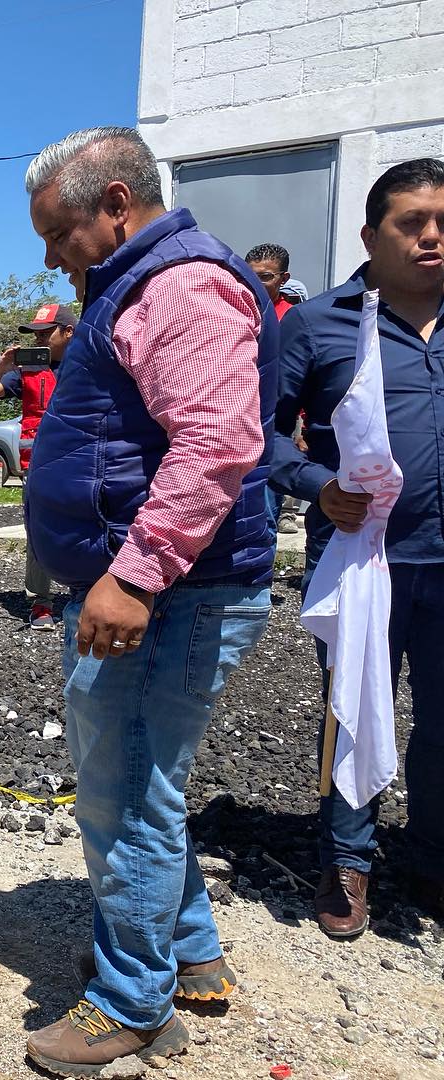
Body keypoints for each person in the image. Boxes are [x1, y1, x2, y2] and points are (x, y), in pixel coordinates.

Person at [20, 127, 277, 1076]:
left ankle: (133, 1002)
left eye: (59, 232)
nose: (51, 255)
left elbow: (214, 443)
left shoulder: (178, 285)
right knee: (145, 780)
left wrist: (135, 573)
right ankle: (192, 954)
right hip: (162, 586)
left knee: (125, 792)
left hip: (170, 592)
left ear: (117, 204)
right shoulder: (137, 283)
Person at [272, 157, 444, 940]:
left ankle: (434, 859)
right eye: (413, 223)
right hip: (360, 559)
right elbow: (259, 434)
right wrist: (316, 485)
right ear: (373, 234)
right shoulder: (317, 325)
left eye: (443, 222)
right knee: (352, 709)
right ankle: (347, 860)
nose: (433, 237)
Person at [0, 302, 76, 629]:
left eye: (45, 333)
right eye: (35, 334)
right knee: (39, 533)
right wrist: (2, 365)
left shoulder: (90, 365)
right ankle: (41, 603)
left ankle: (88, 593)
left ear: (69, 332)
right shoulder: (29, 371)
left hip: (81, 464)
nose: (38, 340)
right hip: (37, 466)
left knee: (88, 529)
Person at [245, 244, 304, 535]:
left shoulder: (294, 318)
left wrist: (303, 428)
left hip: (277, 419)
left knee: (268, 496)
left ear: (283, 278)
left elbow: (305, 376)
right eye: (249, 274)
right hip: (239, 413)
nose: (255, 282)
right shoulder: (234, 310)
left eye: (265, 276)